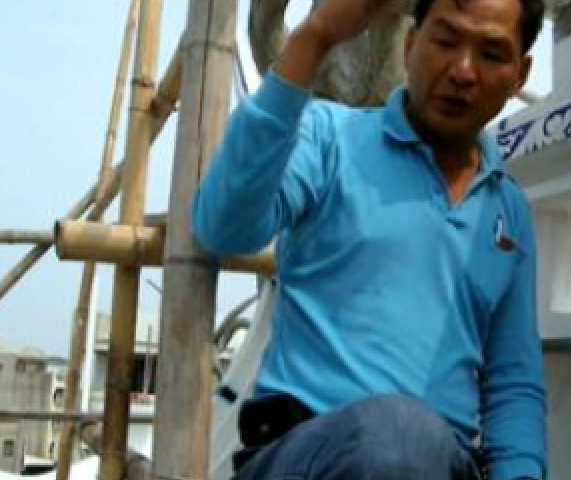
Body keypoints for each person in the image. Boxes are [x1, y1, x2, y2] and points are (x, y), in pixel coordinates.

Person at [193, 0, 547, 479]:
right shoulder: (328, 138)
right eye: (445, 41)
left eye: (491, 53)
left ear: (520, 74)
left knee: (413, 440)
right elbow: (223, 226)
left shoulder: (509, 209)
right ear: (410, 45)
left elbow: (513, 383)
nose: (463, 71)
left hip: (442, 464)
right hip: (302, 456)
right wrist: (314, 37)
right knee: (399, 433)